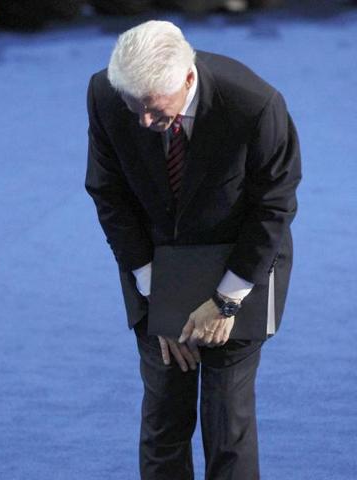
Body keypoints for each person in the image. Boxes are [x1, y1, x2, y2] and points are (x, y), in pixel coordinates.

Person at [85, 20, 301, 479]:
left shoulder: (255, 105)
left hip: (241, 266)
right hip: (156, 265)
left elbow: (274, 208)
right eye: (134, 107)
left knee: (227, 425)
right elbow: (109, 194)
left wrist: (224, 301)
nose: (143, 122)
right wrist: (160, 300)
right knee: (164, 419)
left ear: (187, 79)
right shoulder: (106, 94)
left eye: (154, 110)